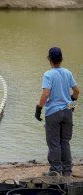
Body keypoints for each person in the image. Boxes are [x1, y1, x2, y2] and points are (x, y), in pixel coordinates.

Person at [35, 47, 80, 176]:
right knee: (65, 142)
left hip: (53, 113)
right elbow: (77, 91)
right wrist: (71, 107)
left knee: (54, 143)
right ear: (61, 59)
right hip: (67, 112)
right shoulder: (68, 72)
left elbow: (45, 94)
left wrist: (38, 109)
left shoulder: (48, 74)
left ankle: (55, 171)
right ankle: (67, 171)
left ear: (50, 59)